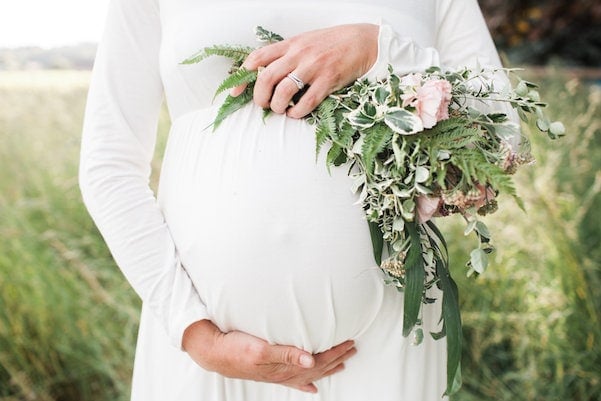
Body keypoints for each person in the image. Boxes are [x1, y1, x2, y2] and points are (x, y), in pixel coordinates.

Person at [79, 1, 508, 400]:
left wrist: (377, 50)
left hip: (389, 340)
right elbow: (108, 163)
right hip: (204, 355)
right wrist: (191, 329)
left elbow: (504, 128)